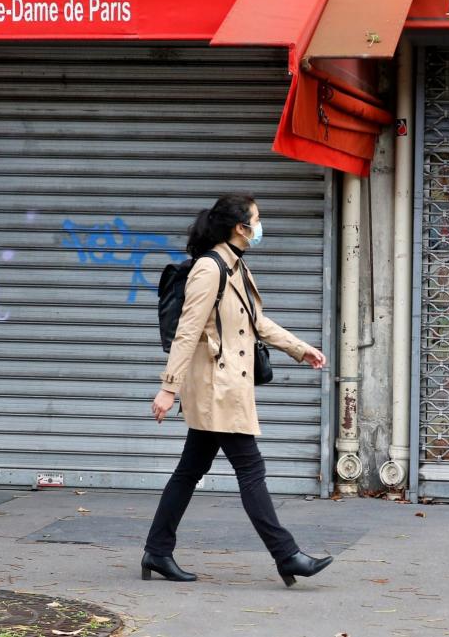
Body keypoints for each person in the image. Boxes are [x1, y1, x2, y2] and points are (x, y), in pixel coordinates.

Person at [142, 194, 332, 587]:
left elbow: (258, 323)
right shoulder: (209, 269)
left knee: (189, 470)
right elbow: (187, 332)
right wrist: (168, 388)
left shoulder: (237, 267)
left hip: (226, 385)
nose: (260, 227)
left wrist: (301, 349)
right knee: (251, 469)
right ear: (239, 227)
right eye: (256, 220)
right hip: (218, 387)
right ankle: (287, 556)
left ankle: (158, 550)